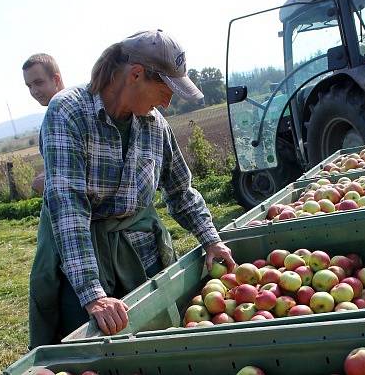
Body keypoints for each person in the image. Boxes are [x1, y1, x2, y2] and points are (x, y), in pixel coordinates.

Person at [28, 29, 236, 349]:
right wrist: (93, 294)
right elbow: (68, 205)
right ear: (136, 74)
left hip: (140, 250)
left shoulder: (155, 125)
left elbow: (181, 191)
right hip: (85, 254)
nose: (168, 102)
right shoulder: (69, 112)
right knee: (92, 348)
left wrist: (212, 240)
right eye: (166, 89)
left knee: (155, 339)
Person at [22, 53, 65, 195]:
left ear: (56, 79)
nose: (34, 91)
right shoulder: (55, 113)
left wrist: (47, 181)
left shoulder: (61, 113)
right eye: (29, 86)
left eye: (39, 82)